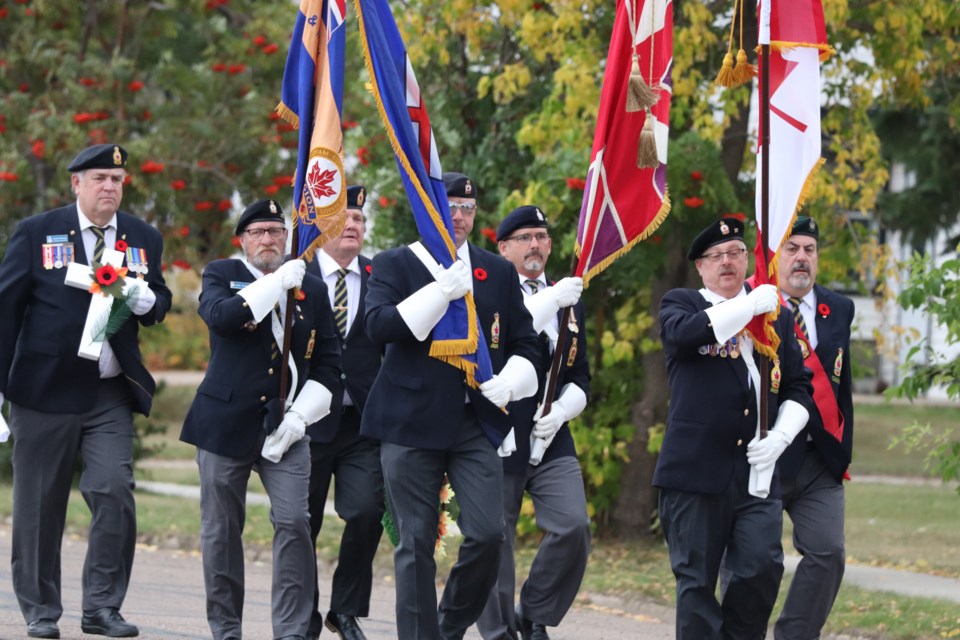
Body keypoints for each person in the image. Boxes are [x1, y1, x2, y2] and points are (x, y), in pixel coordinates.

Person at [0, 143, 172, 639]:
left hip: (108, 391)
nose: (109, 188)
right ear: (76, 183)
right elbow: (6, 310)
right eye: (99, 179)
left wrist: (143, 297)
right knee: (39, 504)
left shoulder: (143, 237)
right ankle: (40, 610)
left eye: (117, 180)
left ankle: (102, 608)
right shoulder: (38, 233)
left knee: (114, 490)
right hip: (44, 390)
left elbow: (159, 302)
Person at [360, 172, 541, 640]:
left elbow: (525, 341)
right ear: (430, 209)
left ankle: (447, 625)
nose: (458, 217)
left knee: (488, 534)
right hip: (409, 420)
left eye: (467, 208)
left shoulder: (496, 270)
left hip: (473, 420)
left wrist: (512, 380)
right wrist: (440, 291)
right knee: (415, 543)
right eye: (450, 206)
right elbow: (378, 326)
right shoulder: (396, 263)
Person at [179, 199, 341, 640]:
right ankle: (227, 629)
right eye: (258, 232)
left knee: (294, 522)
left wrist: (300, 418)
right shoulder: (220, 275)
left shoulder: (312, 286)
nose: (268, 239)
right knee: (222, 531)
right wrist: (274, 288)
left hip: (286, 425)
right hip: (223, 421)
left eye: (275, 231)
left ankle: (289, 631)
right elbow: (222, 317)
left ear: (286, 237)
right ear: (243, 241)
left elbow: (329, 362)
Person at [654, 217, 814, 639]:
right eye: (716, 256)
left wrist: (780, 437)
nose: (727, 262)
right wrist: (749, 306)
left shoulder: (774, 317)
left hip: (755, 476)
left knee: (761, 570)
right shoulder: (682, 303)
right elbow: (685, 335)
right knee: (697, 585)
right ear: (701, 267)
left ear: (748, 260)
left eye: (736, 253)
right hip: (694, 473)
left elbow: (799, 387)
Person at [476, 206, 591, 640]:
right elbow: (503, 345)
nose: (536, 245)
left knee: (573, 525)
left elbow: (580, 375)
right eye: (524, 237)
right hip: (499, 427)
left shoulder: (568, 297)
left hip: (549, 431)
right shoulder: (489, 292)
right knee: (495, 537)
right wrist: (551, 302)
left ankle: (534, 612)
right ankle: (498, 630)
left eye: (542, 236)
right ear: (503, 248)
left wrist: (561, 411)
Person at [304, 185, 384, 640]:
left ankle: (346, 610)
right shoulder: (300, 274)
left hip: (361, 422)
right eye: (344, 218)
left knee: (368, 510)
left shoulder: (379, 275)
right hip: (308, 423)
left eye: (359, 220)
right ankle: (303, 612)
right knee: (303, 522)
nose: (353, 226)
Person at [773, 216, 855, 640]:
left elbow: (843, 384)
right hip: (763, 456)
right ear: (774, 256)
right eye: (792, 248)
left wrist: (843, 449)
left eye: (809, 249)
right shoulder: (755, 303)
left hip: (817, 459)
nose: (801, 257)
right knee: (753, 563)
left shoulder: (838, 308)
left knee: (828, 553)